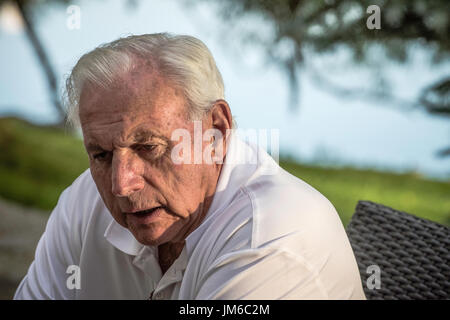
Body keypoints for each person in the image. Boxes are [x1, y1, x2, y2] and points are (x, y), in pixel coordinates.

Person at [14, 33, 366, 300]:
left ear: (215, 130)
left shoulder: (273, 234)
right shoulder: (84, 201)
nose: (121, 185)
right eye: (101, 155)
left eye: (149, 147)